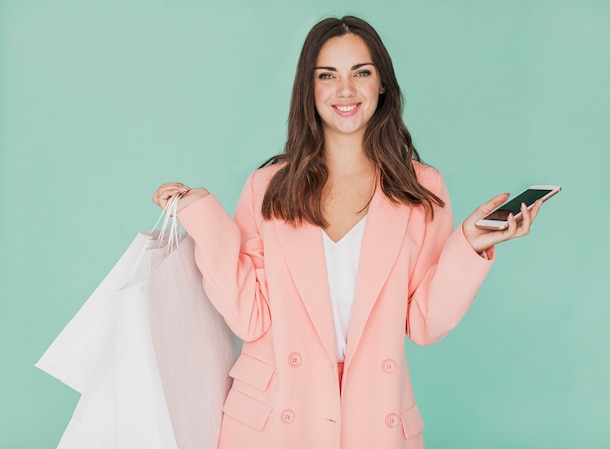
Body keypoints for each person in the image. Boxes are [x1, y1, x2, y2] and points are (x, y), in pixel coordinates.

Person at [152, 15, 542, 449]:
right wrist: (200, 213)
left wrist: (469, 245)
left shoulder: (421, 189)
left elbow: (424, 322)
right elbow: (250, 317)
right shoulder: (268, 188)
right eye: (327, 75)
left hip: (374, 418)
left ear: (381, 84)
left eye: (361, 72)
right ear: (309, 88)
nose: (345, 90)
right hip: (276, 424)